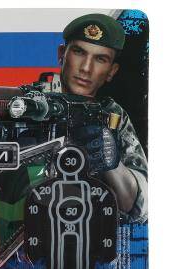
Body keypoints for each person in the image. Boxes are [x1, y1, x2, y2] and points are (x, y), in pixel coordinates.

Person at [56, 13, 148, 223]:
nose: (86, 68)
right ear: (62, 54)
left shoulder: (113, 115)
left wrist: (112, 165)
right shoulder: (27, 104)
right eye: (79, 52)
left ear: (111, 71)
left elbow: (139, 207)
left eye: (100, 59)